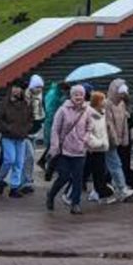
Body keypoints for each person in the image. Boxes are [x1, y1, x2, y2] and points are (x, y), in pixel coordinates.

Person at [45, 84, 92, 214]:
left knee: (78, 178)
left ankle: (75, 204)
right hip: (63, 150)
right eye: (76, 94)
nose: (78, 97)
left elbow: (89, 127)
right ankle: (51, 194)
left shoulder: (87, 110)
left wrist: (85, 140)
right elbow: (55, 129)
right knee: (64, 176)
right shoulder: (62, 110)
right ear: (71, 96)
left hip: (79, 150)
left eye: (81, 95)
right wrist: (54, 146)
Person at [0, 81, 33, 197]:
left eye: (18, 88)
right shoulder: (5, 103)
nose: (16, 90)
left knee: (19, 162)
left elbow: (31, 119)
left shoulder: (26, 103)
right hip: (8, 136)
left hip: (21, 137)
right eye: (14, 87)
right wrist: (7, 128)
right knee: (9, 159)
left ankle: (14, 187)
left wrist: (26, 129)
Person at [104, 79, 133, 200]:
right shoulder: (107, 104)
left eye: (124, 93)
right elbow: (109, 124)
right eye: (121, 92)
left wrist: (123, 139)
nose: (123, 95)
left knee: (111, 165)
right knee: (115, 165)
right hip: (108, 140)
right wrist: (115, 139)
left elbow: (125, 122)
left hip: (116, 141)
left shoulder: (122, 104)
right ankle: (122, 189)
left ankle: (100, 190)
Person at [84, 89, 116, 202]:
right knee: (96, 172)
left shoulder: (102, 113)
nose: (105, 101)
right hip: (94, 148)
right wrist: (98, 143)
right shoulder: (90, 115)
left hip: (101, 148)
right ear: (97, 101)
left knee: (98, 172)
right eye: (103, 99)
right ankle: (100, 195)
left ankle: (98, 193)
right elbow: (88, 132)